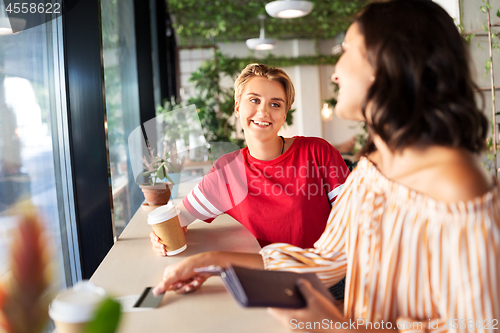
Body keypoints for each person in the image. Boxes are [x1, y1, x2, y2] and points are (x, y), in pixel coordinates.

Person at [153, 0, 500, 329]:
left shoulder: (458, 186)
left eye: (346, 50)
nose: (335, 72)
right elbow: (324, 259)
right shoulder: (372, 169)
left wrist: (334, 328)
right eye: (254, 101)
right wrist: (213, 262)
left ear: (387, 64)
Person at [151, 64, 350, 256]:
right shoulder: (226, 172)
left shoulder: (317, 152)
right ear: (237, 107)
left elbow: (355, 217)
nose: (263, 111)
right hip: (263, 283)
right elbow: (177, 219)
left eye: (275, 104)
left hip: (325, 279)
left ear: (284, 115)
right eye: (254, 100)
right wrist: (159, 238)